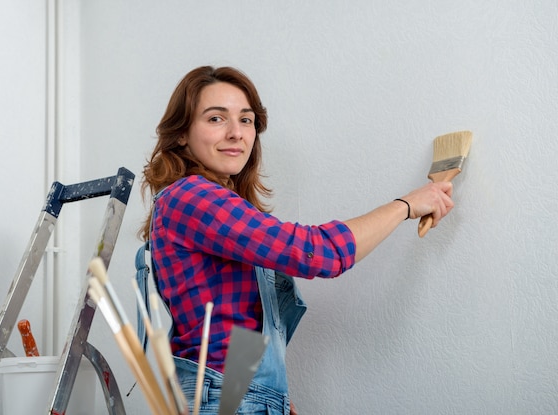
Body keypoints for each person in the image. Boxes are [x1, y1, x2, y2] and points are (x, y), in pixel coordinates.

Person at [136, 66, 454, 415]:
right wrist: (405, 206)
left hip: (231, 396)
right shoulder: (193, 197)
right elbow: (317, 253)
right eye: (215, 119)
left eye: (246, 120)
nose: (235, 133)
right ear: (181, 133)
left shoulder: (213, 206)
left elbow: (234, 325)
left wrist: (266, 396)